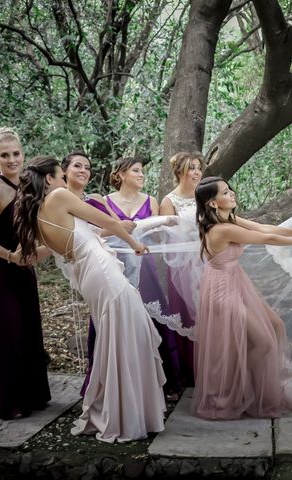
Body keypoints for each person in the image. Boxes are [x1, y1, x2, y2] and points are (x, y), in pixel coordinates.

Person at [14, 155, 166, 442]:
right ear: (50, 179)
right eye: (60, 175)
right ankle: (126, 413)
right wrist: (134, 244)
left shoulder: (37, 215)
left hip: (89, 275)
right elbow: (107, 220)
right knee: (131, 333)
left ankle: (122, 408)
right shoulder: (59, 196)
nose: (62, 181)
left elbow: (48, 250)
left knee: (119, 336)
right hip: (102, 270)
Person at [192, 176, 292, 419]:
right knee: (263, 342)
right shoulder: (222, 229)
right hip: (222, 290)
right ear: (212, 203)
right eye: (225, 192)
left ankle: (246, 385)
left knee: (276, 325)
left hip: (235, 281)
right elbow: (267, 240)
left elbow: (266, 229)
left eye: (230, 189)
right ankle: (229, 390)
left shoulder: (228, 219)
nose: (231, 193)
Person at [0, 127, 50, 419]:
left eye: (16, 154)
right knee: (6, 328)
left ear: (23, 154)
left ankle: (28, 395)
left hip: (21, 264)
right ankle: (5, 400)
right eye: (5, 155)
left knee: (25, 325)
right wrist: (9, 256)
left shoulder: (28, 185)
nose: (12, 159)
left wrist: (39, 249)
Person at [105, 157, 183, 399]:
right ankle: (121, 380)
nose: (141, 175)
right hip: (115, 265)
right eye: (136, 171)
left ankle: (168, 380)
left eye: (142, 171)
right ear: (120, 174)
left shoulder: (151, 201)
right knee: (119, 317)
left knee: (156, 316)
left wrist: (161, 225)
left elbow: (159, 237)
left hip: (145, 265)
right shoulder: (106, 202)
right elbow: (104, 233)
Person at [61, 151, 134, 396]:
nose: (83, 171)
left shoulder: (93, 199)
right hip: (88, 263)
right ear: (64, 171)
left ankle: (118, 382)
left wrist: (104, 211)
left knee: (115, 319)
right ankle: (100, 384)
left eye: (87, 167)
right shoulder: (57, 202)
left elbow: (117, 226)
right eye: (77, 166)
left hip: (109, 257)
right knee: (102, 320)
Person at [159, 151, 204, 389]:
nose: (197, 172)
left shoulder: (203, 196)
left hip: (207, 259)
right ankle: (189, 370)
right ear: (180, 172)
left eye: (198, 167)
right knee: (187, 313)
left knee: (209, 311)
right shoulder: (169, 201)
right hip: (181, 265)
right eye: (192, 168)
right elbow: (167, 238)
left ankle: (212, 365)